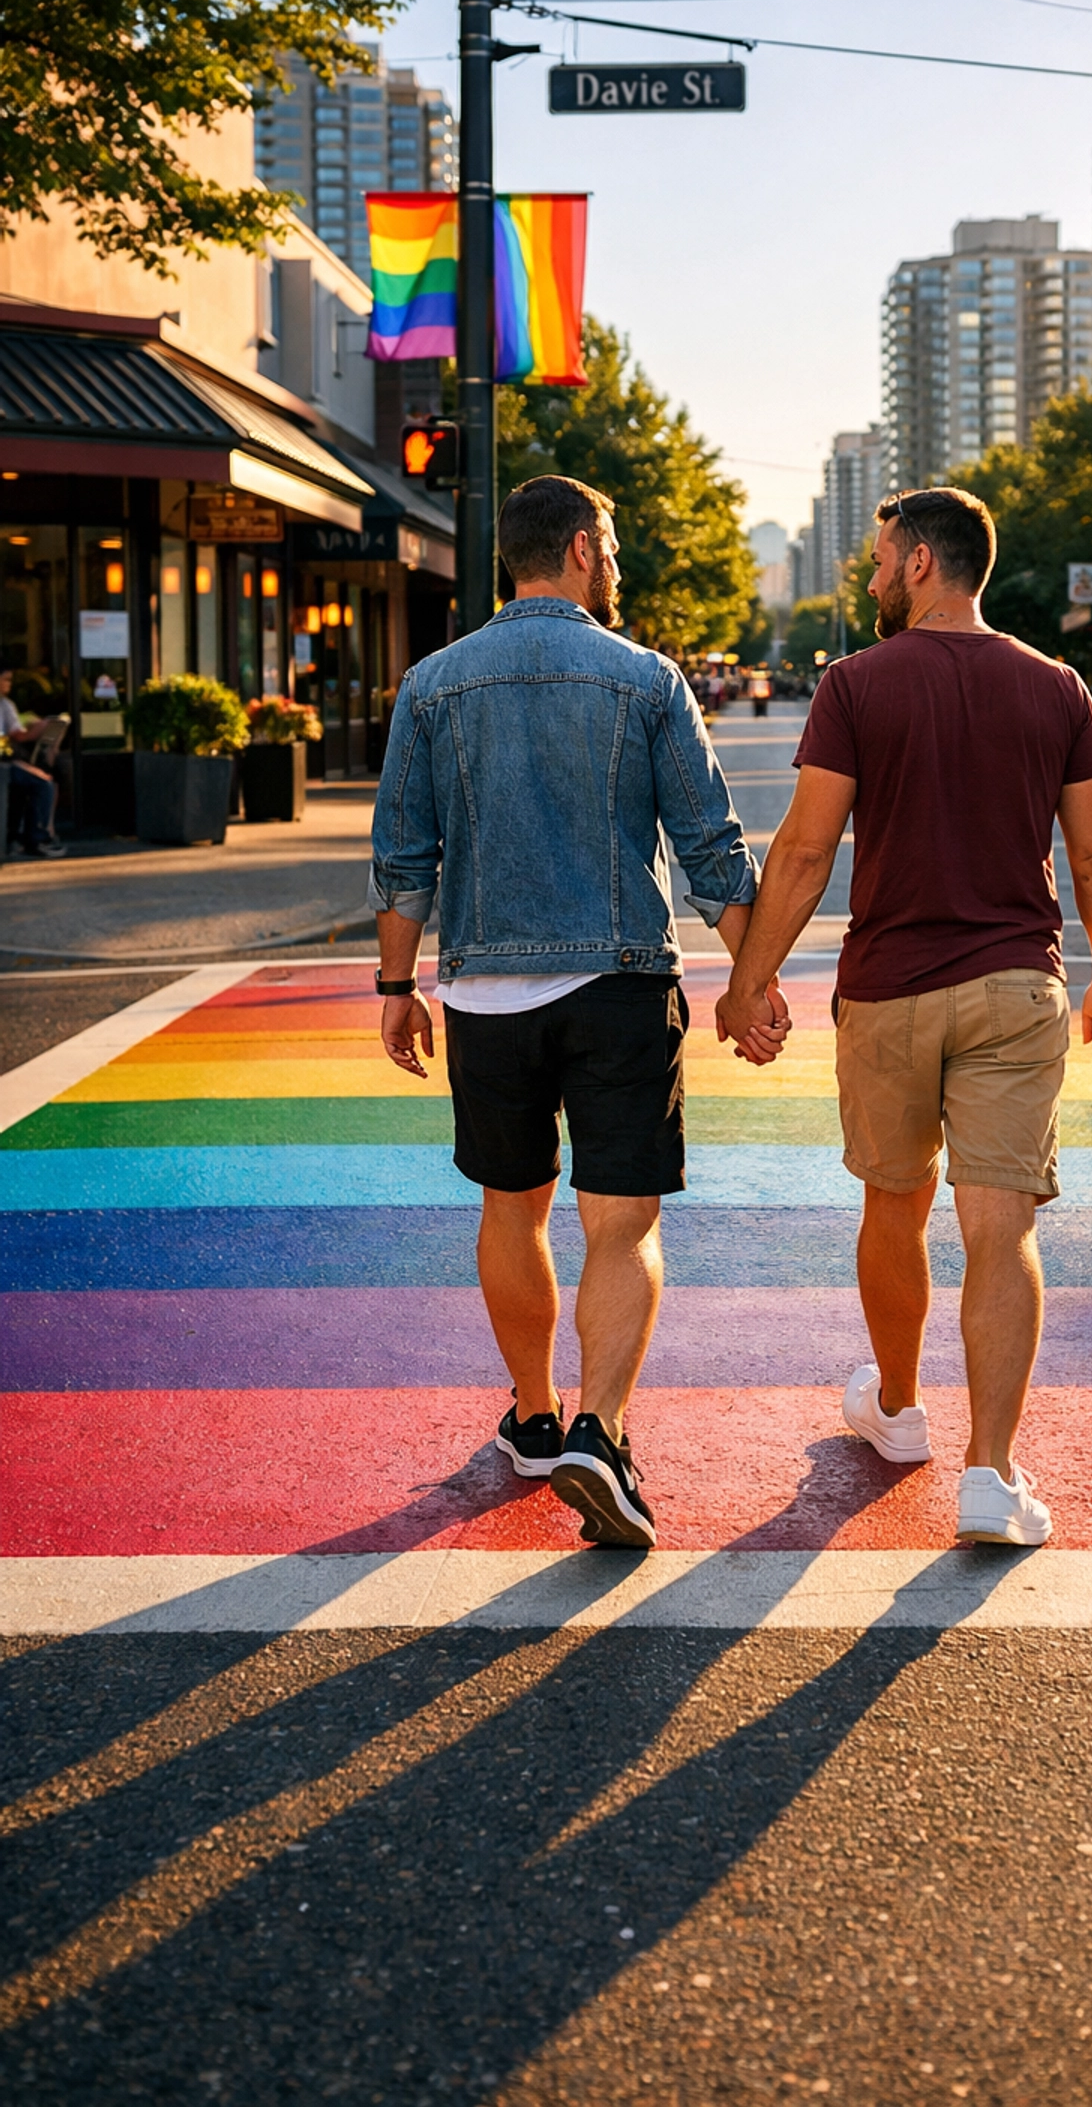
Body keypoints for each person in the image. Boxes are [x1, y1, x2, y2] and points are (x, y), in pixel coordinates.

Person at [716, 486, 1092, 1549]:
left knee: (894, 1206)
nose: (867, 577)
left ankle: (897, 1410)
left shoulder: (856, 684)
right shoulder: (1057, 688)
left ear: (919, 564)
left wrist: (748, 983)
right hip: (1014, 986)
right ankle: (991, 1476)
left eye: (878, 558)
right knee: (1003, 1229)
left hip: (891, 990)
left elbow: (806, 852)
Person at [370, 474, 783, 1549]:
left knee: (512, 1207)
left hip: (484, 992)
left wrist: (393, 986)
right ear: (587, 549)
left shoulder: (432, 683)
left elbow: (403, 855)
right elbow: (708, 848)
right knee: (622, 1218)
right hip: (618, 985)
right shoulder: (644, 680)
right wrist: (751, 984)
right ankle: (602, 1434)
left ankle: (537, 1416)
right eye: (615, 548)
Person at [0, 670, 66, 858]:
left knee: (43, 777)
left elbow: (17, 735)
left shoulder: (5, 704)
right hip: (5, 761)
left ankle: (21, 837)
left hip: (6, 760)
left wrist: (37, 729)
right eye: (5, 680)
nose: (9, 684)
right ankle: (36, 839)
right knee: (42, 783)